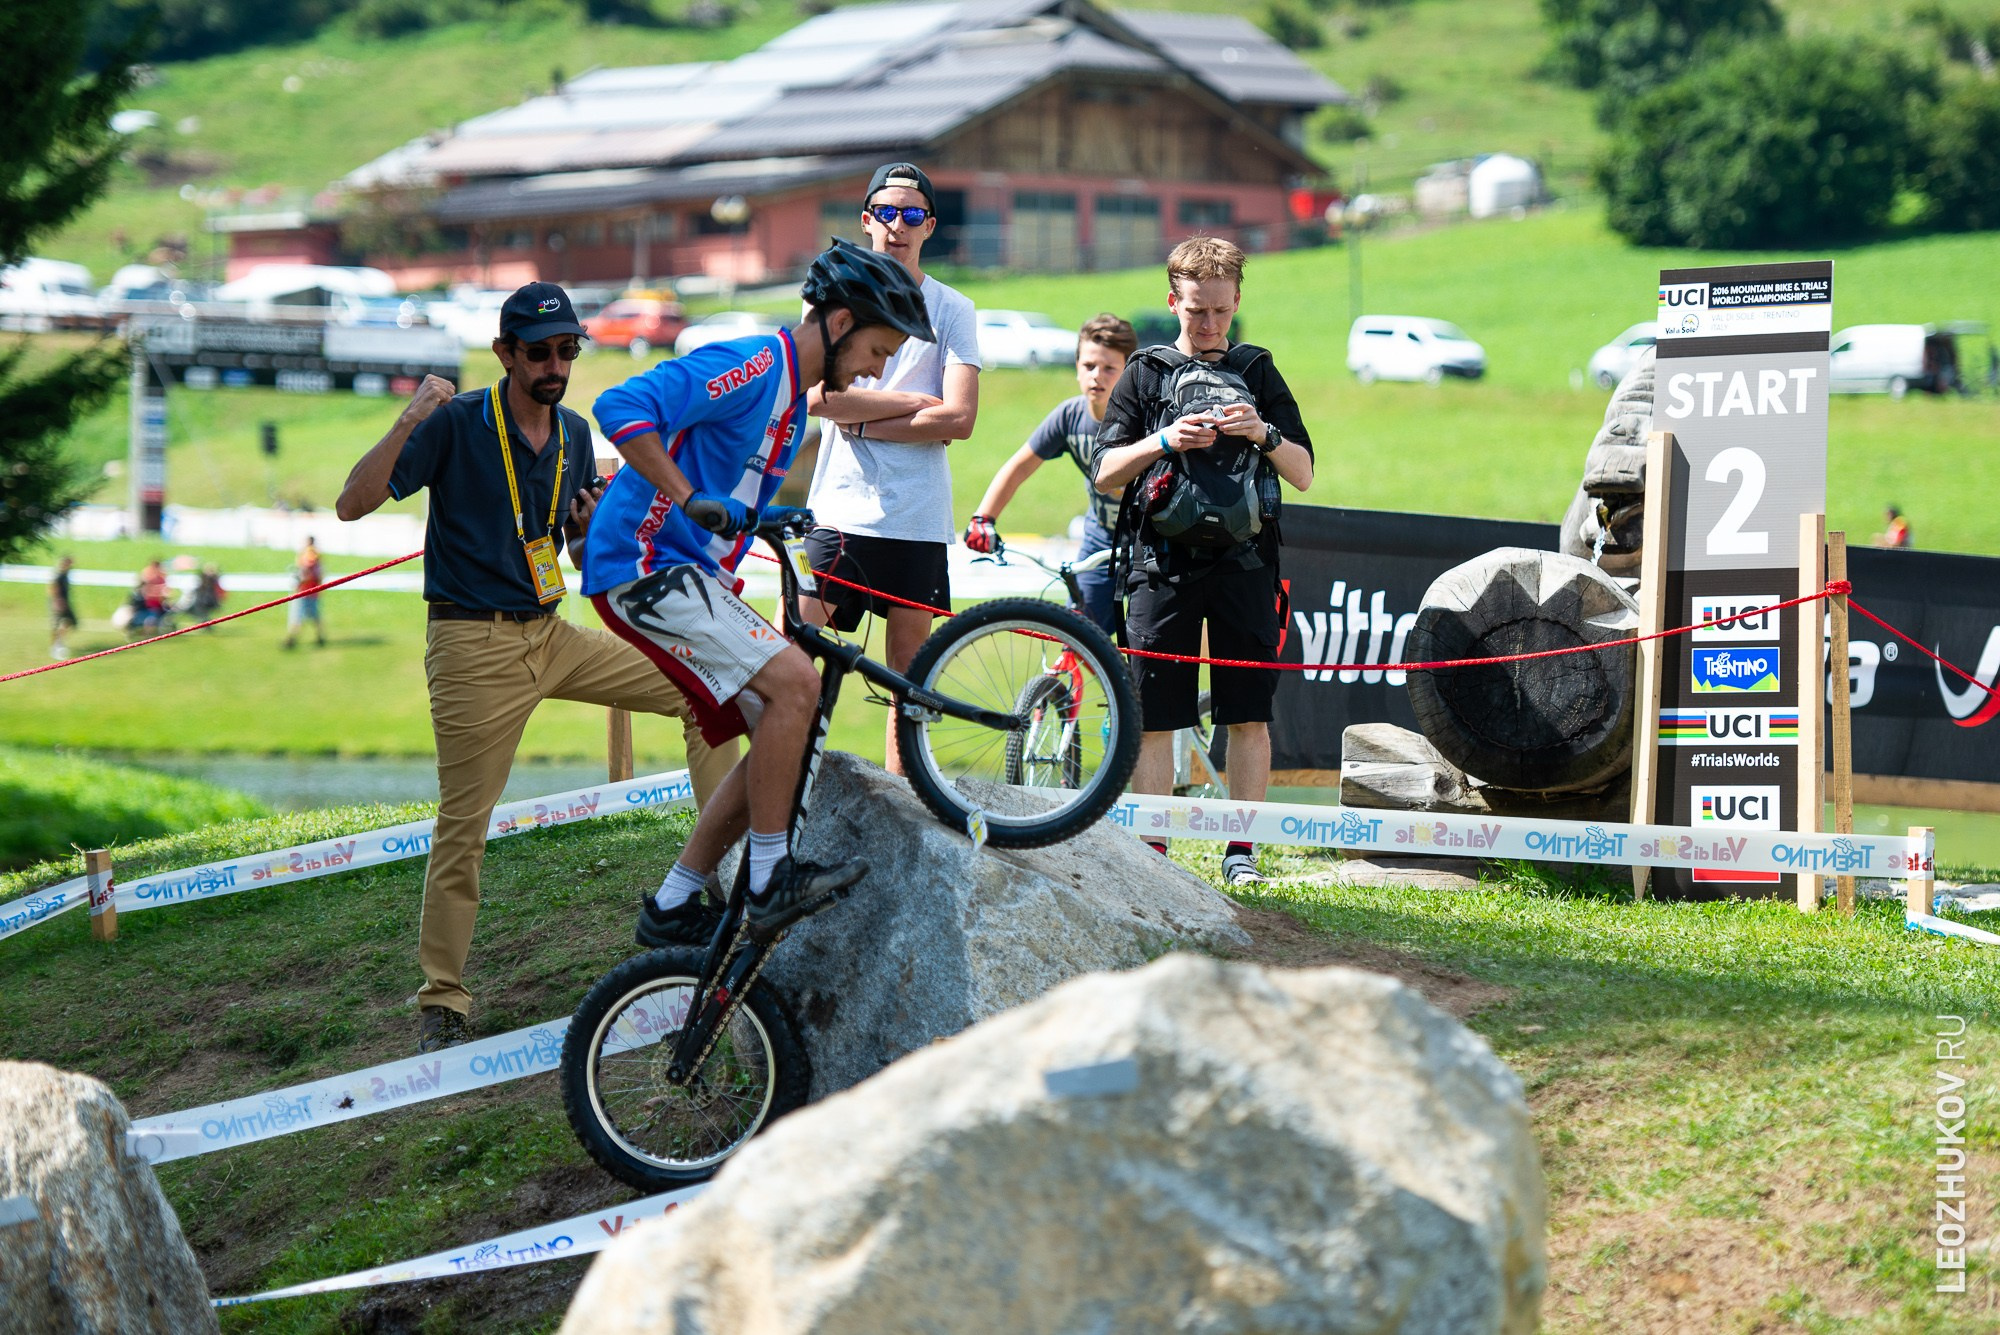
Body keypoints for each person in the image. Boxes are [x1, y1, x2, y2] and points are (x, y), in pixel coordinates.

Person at [334, 281, 739, 1054]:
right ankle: (442, 999)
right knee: (465, 825)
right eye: (540, 352)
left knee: (704, 690)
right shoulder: (455, 421)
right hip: (471, 646)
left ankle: (717, 886)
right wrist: (411, 415)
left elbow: (575, 556)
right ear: (505, 354)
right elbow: (352, 503)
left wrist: (587, 533)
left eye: (567, 350)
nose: (556, 365)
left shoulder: (577, 434)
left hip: (551, 633)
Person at [584, 240, 935, 949]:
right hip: (643, 564)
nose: (877, 369)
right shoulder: (752, 365)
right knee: (797, 684)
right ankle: (771, 880)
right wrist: (689, 497)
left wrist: (771, 520)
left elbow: (732, 498)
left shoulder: (793, 406)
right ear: (840, 323)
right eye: (877, 349)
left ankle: (673, 901)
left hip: (685, 572)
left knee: (786, 726)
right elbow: (617, 405)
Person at [1092, 237, 1315, 887]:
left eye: (1220, 310)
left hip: (1247, 565)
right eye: (1196, 310)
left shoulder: (1258, 370)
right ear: (1173, 302)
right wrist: (1164, 439)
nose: (1210, 324)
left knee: (1248, 716)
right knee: (1156, 718)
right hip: (1161, 567)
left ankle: (1241, 854)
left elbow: (1303, 472)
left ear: (1237, 301)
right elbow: (1105, 471)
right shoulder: (1146, 373)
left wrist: (1260, 431)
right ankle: (1154, 857)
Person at [802, 162, 982, 773]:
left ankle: (902, 808)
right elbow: (818, 398)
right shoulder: (838, 293)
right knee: (794, 658)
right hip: (839, 511)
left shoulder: (954, 307)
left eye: (911, 214)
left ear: (929, 225)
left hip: (917, 516)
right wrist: (910, 402)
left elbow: (959, 417)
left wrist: (858, 419)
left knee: (908, 683)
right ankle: (785, 796)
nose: (897, 225)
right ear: (866, 220)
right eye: (886, 212)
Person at [964, 314, 1138, 633]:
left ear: (1128, 372)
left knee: (1152, 644)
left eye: (1109, 368)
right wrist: (983, 518)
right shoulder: (1070, 416)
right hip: (1101, 538)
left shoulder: (1145, 418)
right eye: (1089, 365)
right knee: (1075, 634)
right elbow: (1019, 467)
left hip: (1150, 542)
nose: (1096, 376)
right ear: (1076, 367)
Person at [284, 537, 325, 648]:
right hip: (309, 591)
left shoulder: (310, 555)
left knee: (299, 617)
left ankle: (292, 640)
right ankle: (319, 638)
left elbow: (308, 573)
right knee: (313, 617)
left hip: (306, 592)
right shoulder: (312, 555)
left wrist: (300, 580)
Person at [49, 556, 76, 659]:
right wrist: (57, 601)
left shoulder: (65, 574)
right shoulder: (58, 574)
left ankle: (59, 643)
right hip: (59, 603)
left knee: (68, 622)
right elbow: (52, 588)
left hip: (65, 602)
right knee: (58, 624)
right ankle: (56, 646)